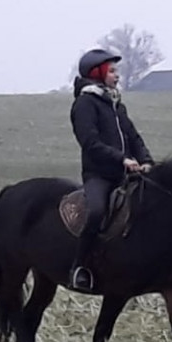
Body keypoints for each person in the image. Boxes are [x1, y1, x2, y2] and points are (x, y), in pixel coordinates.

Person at [69, 48, 154, 292]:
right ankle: (80, 267)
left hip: (126, 173)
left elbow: (133, 136)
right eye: (113, 71)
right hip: (99, 175)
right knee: (96, 212)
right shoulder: (85, 104)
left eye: (117, 71)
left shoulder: (117, 105)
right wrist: (122, 160)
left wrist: (146, 160)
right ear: (98, 73)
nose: (117, 75)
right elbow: (90, 143)